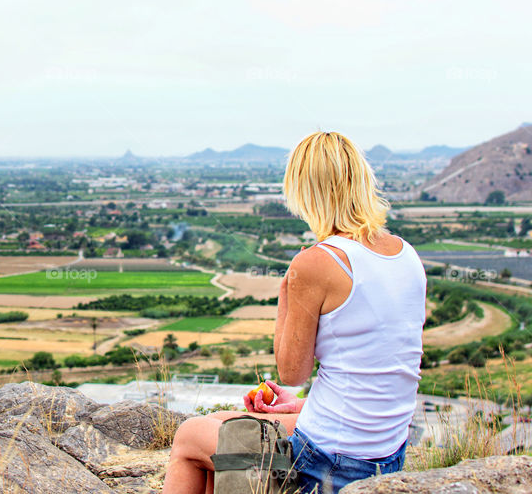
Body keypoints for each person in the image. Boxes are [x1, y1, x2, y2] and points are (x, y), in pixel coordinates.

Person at [162, 132, 427, 494]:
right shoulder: (405, 254)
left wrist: (287, 289)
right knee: (221, 425)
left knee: (191, 436)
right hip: (387, 456)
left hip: (327, 462)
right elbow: (380, 371)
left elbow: (291, 371)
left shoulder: (318, 262)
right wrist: (300, 405)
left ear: (305, 192)